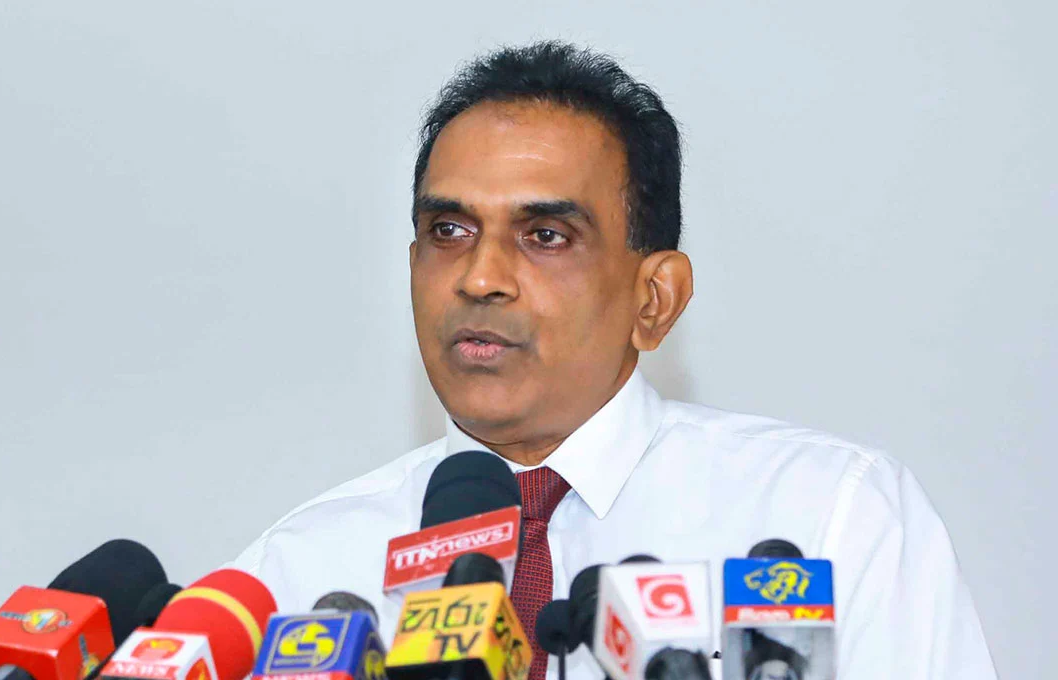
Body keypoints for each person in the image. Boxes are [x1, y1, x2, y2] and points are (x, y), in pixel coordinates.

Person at [232, 41, 996, 679]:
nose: (479, 277)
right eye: (449, 232)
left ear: (654, 298)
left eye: (545, 236)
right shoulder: (297, 576)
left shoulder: (827, 518)